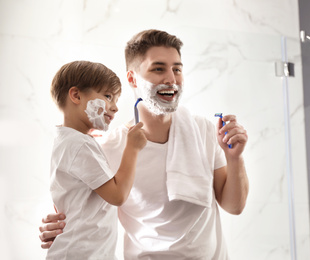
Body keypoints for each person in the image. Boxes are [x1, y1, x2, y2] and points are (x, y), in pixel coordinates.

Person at [40, 30, 249, 259]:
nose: (171, 79)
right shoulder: (109, 148)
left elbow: (234, 206)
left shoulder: (204, 131)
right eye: (158, 68)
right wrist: (57, 227)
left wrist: (235, 157)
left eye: (177, 69)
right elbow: (81, 209)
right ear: (132, 79)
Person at [46, 60, 147, 259]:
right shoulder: (80, 145)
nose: (115, 108)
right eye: (108, 96)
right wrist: (132, 148)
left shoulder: (67, 140)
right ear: (76, 95)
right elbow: (117, 195)